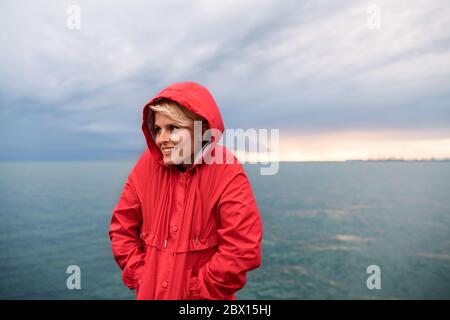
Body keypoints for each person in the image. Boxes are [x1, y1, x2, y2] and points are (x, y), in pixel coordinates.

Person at [109, 81, 263, 300]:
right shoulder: (147, 166)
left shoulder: (226, 169)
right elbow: (121, 229)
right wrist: (141, 275)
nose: (161, 139)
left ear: (201, 129)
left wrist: (194, 291)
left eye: (173, 128)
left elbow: (241, 247)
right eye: (157, 129)